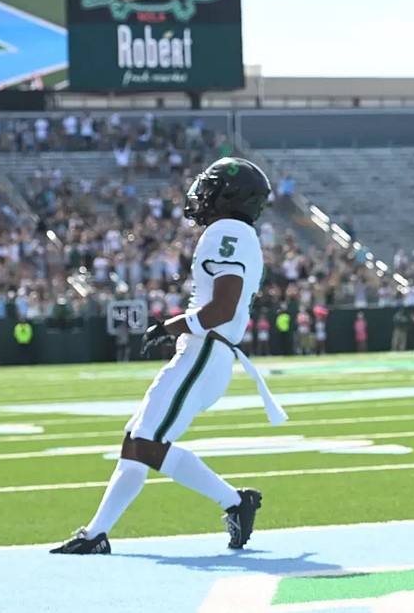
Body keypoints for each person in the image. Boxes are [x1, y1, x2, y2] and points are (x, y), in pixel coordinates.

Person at [50, 157, 287, 555]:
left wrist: (169, 325)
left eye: (212, 189)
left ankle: (234, 501)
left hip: (204, 351)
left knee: (146, 443)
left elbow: (223, 307)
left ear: (231, 196)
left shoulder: (227, 231)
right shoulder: (233, 232)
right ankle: (95, 533)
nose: (203, 196)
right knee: (135, 441)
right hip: (201, 352)